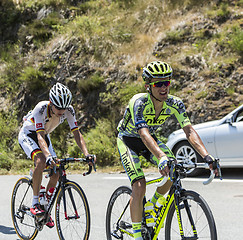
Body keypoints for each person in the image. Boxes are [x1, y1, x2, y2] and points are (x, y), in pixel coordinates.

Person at [117, 61, 218, 240]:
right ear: (148, 86)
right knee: (139, 185)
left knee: (174, 170)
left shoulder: (175, 103)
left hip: (150, 140)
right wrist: (161, 156)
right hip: (129, 140)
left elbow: (189, 131)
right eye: (158, 84)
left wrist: (206, 156)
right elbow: (143, 133)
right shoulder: (139, 102)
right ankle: (137, 235)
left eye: (167, 83)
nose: (164, 88)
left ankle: (152, 205)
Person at [18, 82, 95, 228]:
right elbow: (39, 137)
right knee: (41, 161)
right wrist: (48, 156)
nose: (61, 111)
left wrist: (87, 154)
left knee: (57, 171)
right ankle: (35, 203)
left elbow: (77, 134)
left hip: (44, 135)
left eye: (64, 108)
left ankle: (45, 206)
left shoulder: (68, 110)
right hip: (29, 134)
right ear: (51, 103)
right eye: (58, 108)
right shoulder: (41, 108)